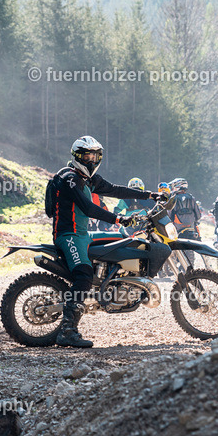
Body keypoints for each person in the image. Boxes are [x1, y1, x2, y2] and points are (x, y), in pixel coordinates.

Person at [48, 137, 163, 348]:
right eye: (86, 156)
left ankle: (109, 285)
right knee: (83, 274)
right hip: (68, 235)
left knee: (123, 241)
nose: (91, 160)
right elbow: (88, 208)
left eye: (95, 156)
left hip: (83, 233)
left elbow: (116, 190)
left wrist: (151, 195)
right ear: (76, 156)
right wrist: (118, 219)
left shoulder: (87, 178)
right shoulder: (70, 178)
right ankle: (67, 331)